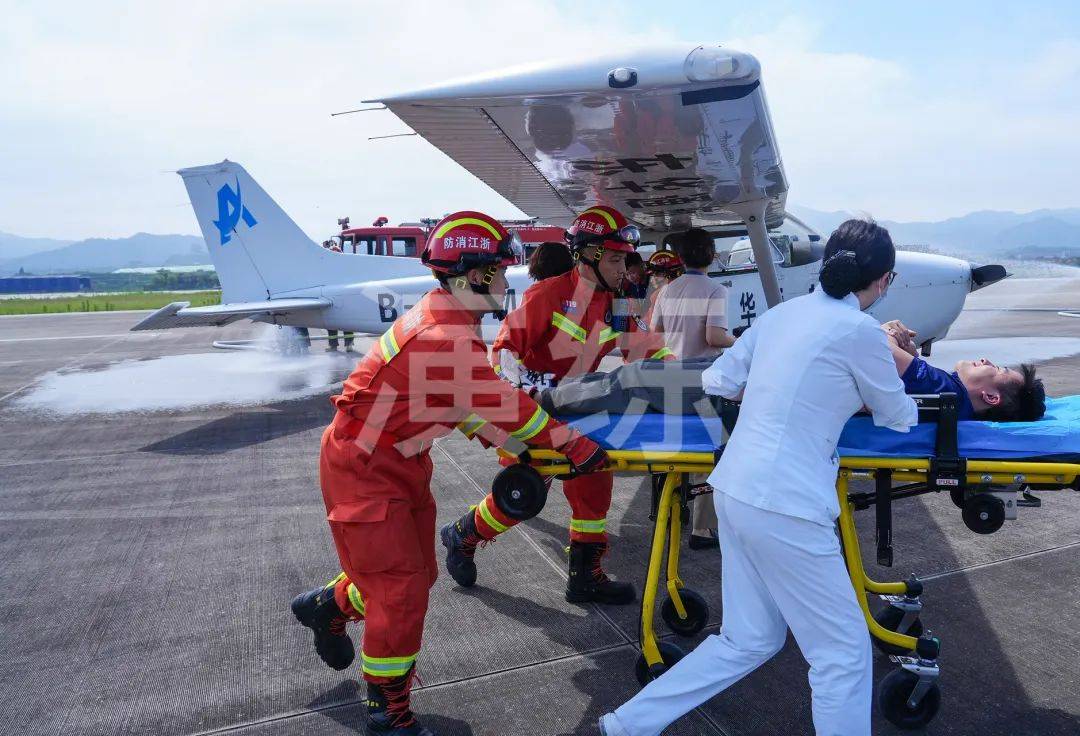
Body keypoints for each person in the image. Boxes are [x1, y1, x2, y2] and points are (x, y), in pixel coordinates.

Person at [290, 211, 608, 736]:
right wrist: (574, 448)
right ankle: (387, 713)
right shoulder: (443, 335)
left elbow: (465, 406)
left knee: (412, 577)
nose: (507, 282)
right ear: (472, 276)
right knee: (399, 589)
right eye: (500, 272)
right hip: (365, 467)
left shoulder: (447, 322)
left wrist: (522, 448)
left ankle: (330, 606)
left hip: (393, 461)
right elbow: (504, 405)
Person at [599, 219, 919, 736]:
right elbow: (898, 416)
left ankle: (627, 724)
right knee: (842, 654)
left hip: (736, 490)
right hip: (786, 505)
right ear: (884, 281)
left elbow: (719, 379)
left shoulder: (783, 315)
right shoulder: (861, 331)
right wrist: (905, 358)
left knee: (749, 641)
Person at [442, 205, 673, 606]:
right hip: (533, 415)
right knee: (522, 497)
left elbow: (645, 349)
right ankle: (463, 536)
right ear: (589, 257)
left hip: (581, 412)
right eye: (616, 259)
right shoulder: (548, 294)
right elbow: (504, 352)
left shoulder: (617, 302)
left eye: (624, 260)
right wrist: (523, 404)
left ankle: (585, 576)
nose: (624, 269)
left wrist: (679, 378)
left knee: (594, 486)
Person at [651, 228, 734, 549]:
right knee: (709, 452)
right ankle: (702, 530)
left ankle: (667, 514)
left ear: (681, 258)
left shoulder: (666, 292)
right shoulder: (716, 290)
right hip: (703, 380)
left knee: (674, 451)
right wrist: (739, 341)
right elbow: (715, 337)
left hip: (671, 379)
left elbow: (655, 335)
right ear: (711, 256)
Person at [881, 319, 1045, 421]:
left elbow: (876, 347)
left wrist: (890, 332)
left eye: (997, 369)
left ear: (991, 397)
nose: (985, 360)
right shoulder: (955, 404)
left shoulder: (945, 389)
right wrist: (905, 352)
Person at [643, 250, 685, 325]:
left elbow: (652, 327)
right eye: (652, 275)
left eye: (657, 274)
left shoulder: (657, 296)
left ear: (671, 274)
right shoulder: (689, 291)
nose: (653, 279)